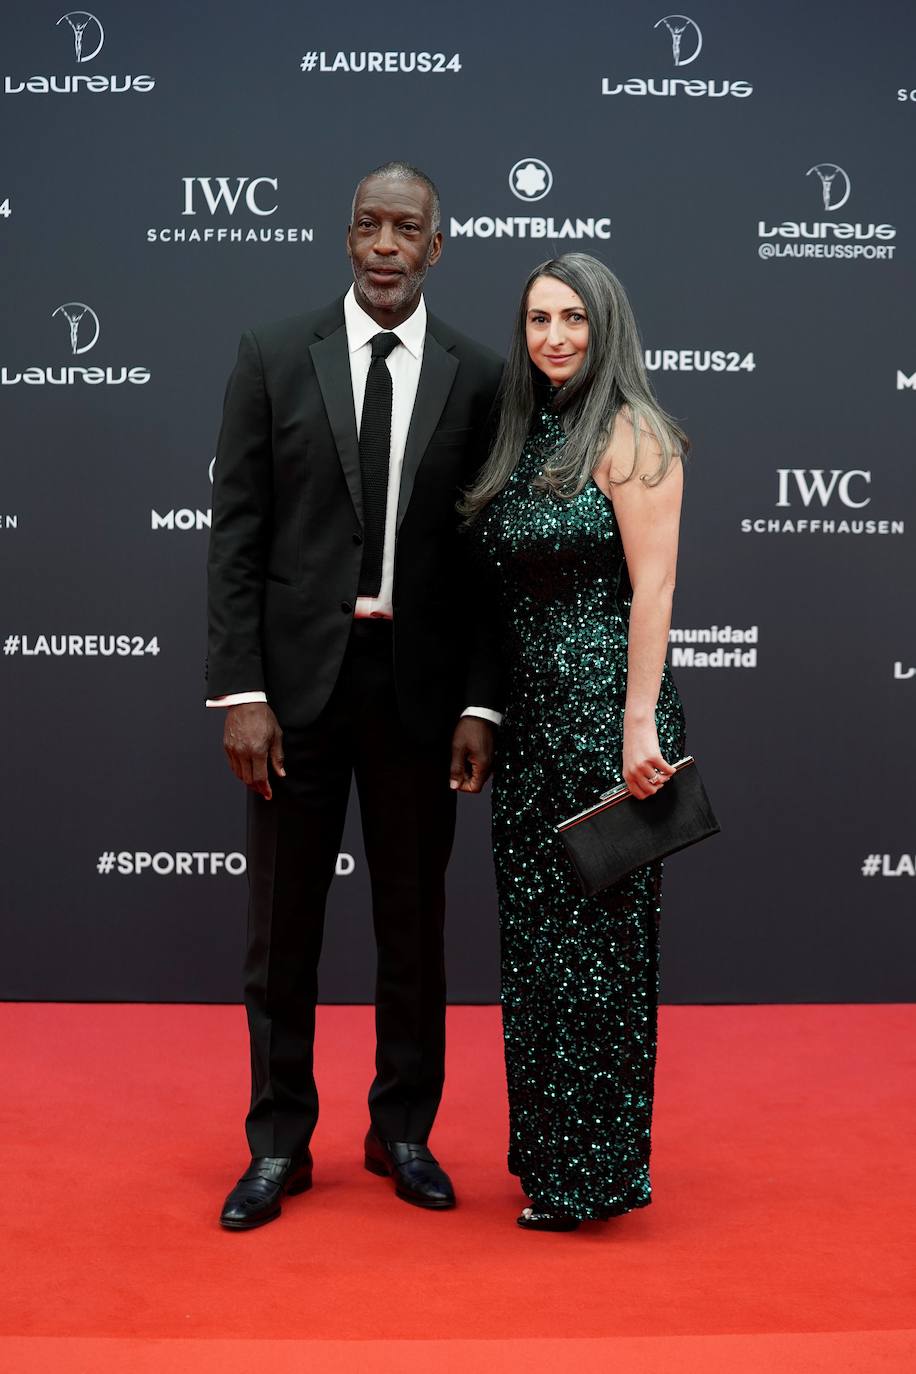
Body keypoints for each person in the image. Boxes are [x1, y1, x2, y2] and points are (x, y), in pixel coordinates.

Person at [207, 162, 503, 1230]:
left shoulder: (480, 376)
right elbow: (236, 535)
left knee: (412, 923)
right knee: (280, 928)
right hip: (292, 694)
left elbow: (483, 562)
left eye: (406, 228)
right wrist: (241, 690)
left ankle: (402, 1129)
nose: (384, 244)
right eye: (368, 225)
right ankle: (279, 1141)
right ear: (346, 240)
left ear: (436, 246)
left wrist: (481, 703)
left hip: (419, 694)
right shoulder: (275, 355)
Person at [463, 252, 688, 1231]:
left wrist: (638, 721)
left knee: (597, 955)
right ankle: (549, 1153)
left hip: (606, 721)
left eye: (574, 320)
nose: (553, 336)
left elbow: (656, 587)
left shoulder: (634, 433)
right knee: (538, 953)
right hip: (530, 726)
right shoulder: (528, 432)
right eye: (538, 319)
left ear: (607, 328)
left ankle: (594, 1175)